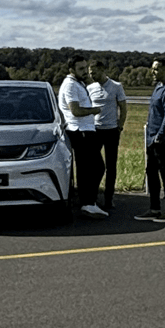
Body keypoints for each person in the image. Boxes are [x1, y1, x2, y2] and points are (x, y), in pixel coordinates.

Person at [58, 55, 107, 219]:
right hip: (81, 130)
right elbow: (76, 110)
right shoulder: (71, 85)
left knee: (87, 168)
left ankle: (87, 201)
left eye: (86, 68)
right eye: (81, 69)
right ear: (71, 70)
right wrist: (94, 110)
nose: (85, 71)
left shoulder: (77, 83)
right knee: (95, 167)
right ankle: (88, 202)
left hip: (83, 129)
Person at [136, 57, 165, 223]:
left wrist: (160, 136)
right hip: (152, 137)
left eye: (156, 69)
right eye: (152, 69)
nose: (152, 72)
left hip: (164, 139)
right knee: (151, 172)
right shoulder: (158, 87)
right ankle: (154, 208)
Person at [87, 59, 128, 211]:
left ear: (102, 70)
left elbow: (123, 107)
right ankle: (93, 195)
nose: (92, 76)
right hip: (95, 130)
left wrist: (120, 125)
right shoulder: (90, 88)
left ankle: (109, 198)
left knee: (111, 166)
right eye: (90, 73)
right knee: (94, 165)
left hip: (111, 131)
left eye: (94, 72)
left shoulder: (116, 86)